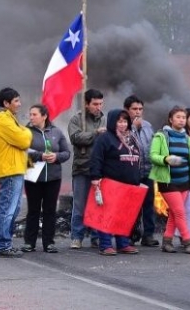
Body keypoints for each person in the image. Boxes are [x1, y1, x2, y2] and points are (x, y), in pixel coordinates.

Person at [0, 87, 32, 257]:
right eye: (16, 101)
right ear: (6, 103)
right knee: (8, 208)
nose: (19, 104)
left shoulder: (8, 118)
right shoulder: (3, 120)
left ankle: (3, 243)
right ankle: (3, 244)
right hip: (9, 169)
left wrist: (22, 131)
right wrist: (26, 131)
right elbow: (23, 140)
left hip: (13, 168)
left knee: (12, 206)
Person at [90, 109, 141, 256]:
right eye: (119, 121)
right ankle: (105, 245)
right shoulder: (105, 138)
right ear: (113, 122)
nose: (123, 124)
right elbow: (96, 158)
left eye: (125, 121)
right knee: (107, 215)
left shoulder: (131, 138)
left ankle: (123, 244)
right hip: (110, 183)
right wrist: (95, 177)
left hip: (129, 184)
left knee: (124, 216)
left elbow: (138, 158)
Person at [21, 104, 70, 254]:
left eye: (34, 114)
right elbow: (22, 150)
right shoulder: (25, 132)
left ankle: (49, 242)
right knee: (33, 210)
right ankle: (29, 242)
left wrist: (56, 157)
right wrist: (39, 156)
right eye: (30, 114)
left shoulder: (56, 132)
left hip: (53, 177)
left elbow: (66, 152)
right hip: (33, 177)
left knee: (50, 210)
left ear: (44, 116)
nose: (31, 117)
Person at [149, 106, 190, 254]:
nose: (181, 120)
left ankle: (167, 241)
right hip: (168, 182)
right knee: (180, 212)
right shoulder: (161, 136)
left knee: (175, 214)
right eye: (178, 117)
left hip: (184, 182)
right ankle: (188, 241)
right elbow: (153, 155)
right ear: (171, 119)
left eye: (183, 117)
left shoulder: (188, 139)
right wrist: (166, 159)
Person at [68, 89, 106, 249]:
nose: (98, 107)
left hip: (100, 169)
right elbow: (75, 137)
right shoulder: (77, 119)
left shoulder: (104, 119)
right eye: (95, 104)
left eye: (100, 104)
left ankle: (96, 236)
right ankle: (77, 236)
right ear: (86, 104)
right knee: (79, 205)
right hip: (82, 167)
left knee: (98, 204)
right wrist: (95, 134)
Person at [124, 95, 159, 247]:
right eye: (134, 109)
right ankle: (130, 235)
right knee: (131, 205)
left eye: (140, 109)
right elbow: (125, 143)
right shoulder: (123, 125)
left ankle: (148, 235)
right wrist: (133, 127)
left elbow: (150, 145)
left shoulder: (148, 125)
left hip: (148, 171)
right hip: (131, 172)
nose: (138, 112)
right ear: (127, 110)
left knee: (149, 204)